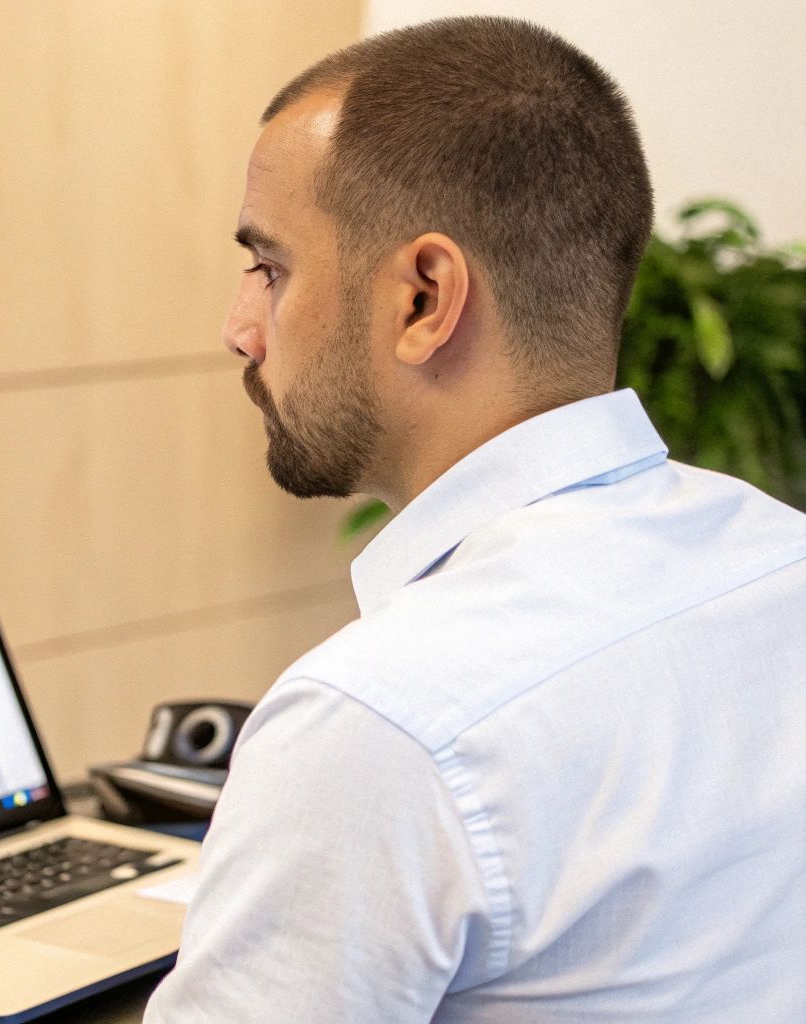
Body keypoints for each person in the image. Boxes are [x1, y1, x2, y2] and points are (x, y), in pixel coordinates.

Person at [145, 16, 806, 1022]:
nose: (237, 328)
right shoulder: (778, 556)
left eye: (270, 269)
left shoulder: (378, 722)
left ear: (422, 298)